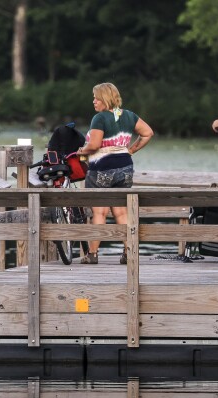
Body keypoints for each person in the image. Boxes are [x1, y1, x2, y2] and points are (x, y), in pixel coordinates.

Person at [76, 82, 154, 264]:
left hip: (102, 168)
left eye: (96, 97)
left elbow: (94, 145)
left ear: (105, 98)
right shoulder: (127, 115)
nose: (93, 101)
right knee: (121, 212)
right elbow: (148, 133)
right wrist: (131, 150)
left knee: (99, 213)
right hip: (125, 168)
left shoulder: (100, 118)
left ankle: (92, 254)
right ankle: (129, 252)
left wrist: (82, 151)